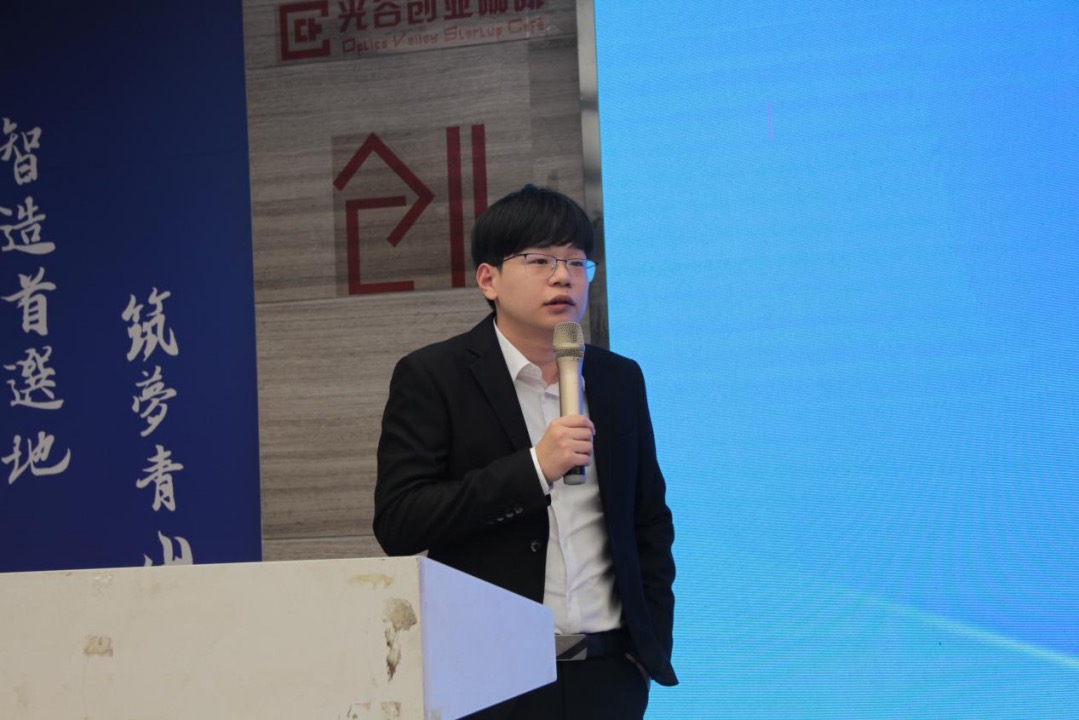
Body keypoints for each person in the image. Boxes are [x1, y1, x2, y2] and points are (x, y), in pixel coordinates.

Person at [373, 184, 677, 719]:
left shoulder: (618, 379)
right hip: (489, 680)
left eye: (577, 262)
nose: (563, 277)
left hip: (608, 675)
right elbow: (400, 522)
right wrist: (535, 469)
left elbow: (648, 519)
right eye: (540, 260)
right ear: (488, 279)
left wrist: (645, 650)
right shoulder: (434, 376)